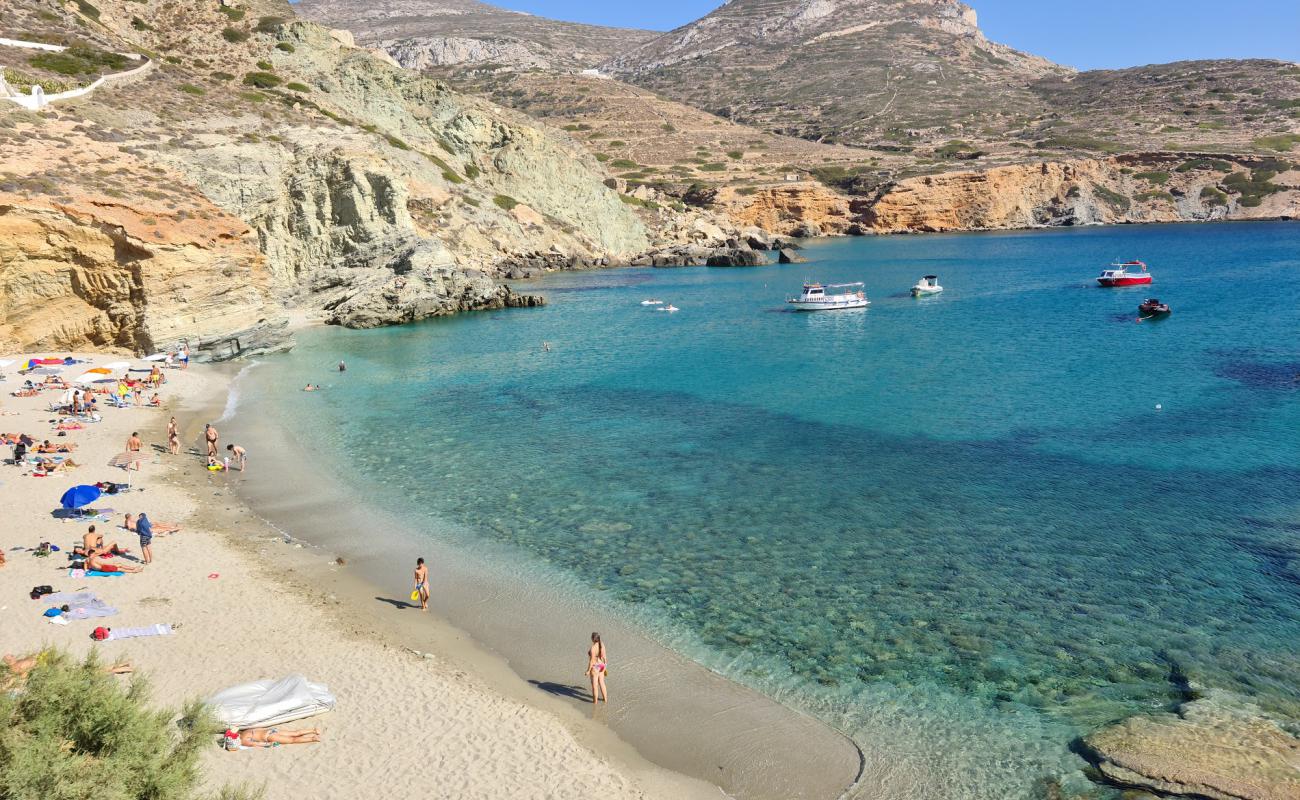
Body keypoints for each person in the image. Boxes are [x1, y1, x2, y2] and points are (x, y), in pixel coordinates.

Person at [223, 727, 321, 750]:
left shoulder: (243, 741)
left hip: (269, 737)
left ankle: (313, 738)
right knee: (295, 733)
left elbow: (256, 744)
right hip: (270, 731)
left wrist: (270, 744)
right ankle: (313, 730)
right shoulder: (243, 732)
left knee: (292, 740)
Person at [585, 632, 608, 705]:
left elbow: (592, 661)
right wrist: (605, 666)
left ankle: (595, 703)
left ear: (592, 639)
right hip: (602, 665)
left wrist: (588, 671)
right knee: (602, 683)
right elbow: (604, 657)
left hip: (595, 667)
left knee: (595, 686)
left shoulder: (593, 648)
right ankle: (605, 700)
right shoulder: (602, 644)